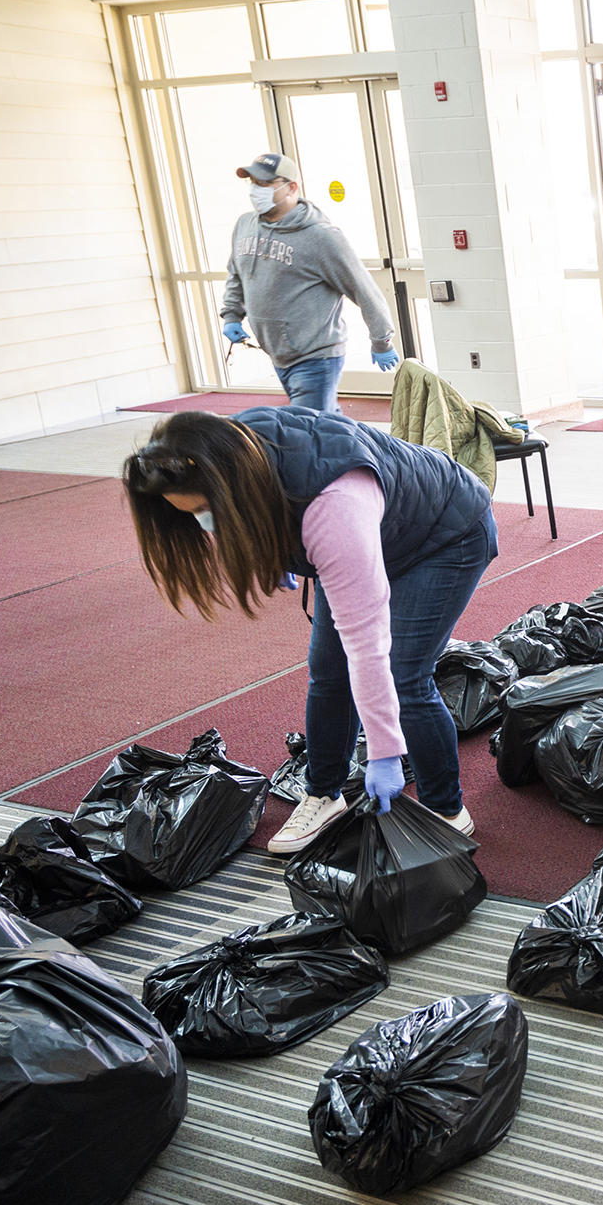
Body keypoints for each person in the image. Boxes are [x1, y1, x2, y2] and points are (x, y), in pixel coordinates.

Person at [121, 406, 496, 852]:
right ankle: (323, 793)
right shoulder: (223, 449)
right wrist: (277, 550)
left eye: (206, 510)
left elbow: (367, 643)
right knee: (327, 670)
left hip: (445, 535)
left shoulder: (334, 510)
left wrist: (383, 752)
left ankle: (445, 809)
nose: (206, 524)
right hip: (373, 532)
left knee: (403, 674)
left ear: (228, 488)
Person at [220, 152, 399, 413]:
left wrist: (381, 340)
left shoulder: (321, 237)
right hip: (278, 353)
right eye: (253, 184)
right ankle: (362, 452)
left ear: (291, 187)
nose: (256, 190)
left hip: (316, 356)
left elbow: (364, 289)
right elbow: (236, 273)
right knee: (326, 425)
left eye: (265, 184)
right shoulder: (245, 225)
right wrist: (232, 315)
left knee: (310, 430)